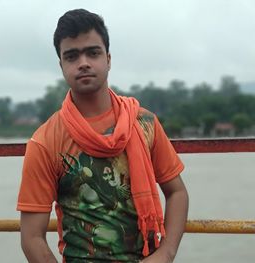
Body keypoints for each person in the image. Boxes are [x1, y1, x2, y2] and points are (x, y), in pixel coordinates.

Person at [17, 8, 189, 263]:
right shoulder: (46, 141)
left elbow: (177, 193)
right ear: (62, 65)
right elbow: (32, 237)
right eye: (72, 56)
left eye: (93, 52)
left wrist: (166, 253)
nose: (84, 62)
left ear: (108, 59)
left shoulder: (144, 123)